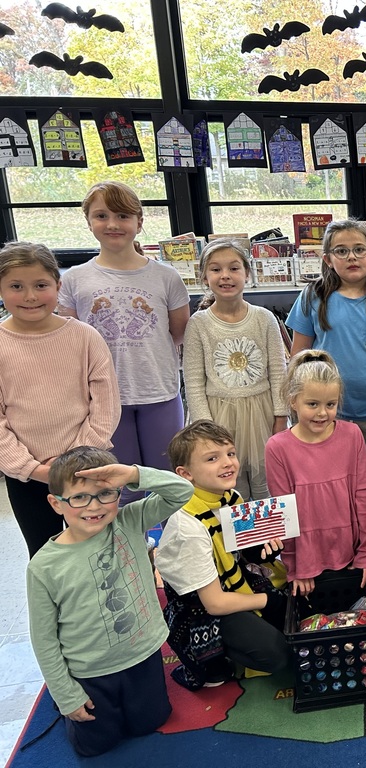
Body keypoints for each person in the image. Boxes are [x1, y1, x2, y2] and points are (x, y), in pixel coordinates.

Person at [27, 447, 194, 757]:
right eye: (79, 498)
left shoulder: (129, 521)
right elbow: (44, 638)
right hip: (91, 671)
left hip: (142, 655)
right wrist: (65, 695)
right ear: (56, 503)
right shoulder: (43, 567)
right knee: (96, 745)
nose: (95, 506)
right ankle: (64, 705)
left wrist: (133, 474)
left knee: (151, 722)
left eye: (105, 493)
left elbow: (183, 491)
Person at [58, 181, 190, 493]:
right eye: (102, 216)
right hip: (103, 400)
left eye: (123, 215)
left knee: (166, 479)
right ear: (88, 222)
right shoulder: (74, 280)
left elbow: (179, 331)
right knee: (116, 485)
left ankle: (170, 542)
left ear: (139, 223)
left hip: (159, 391)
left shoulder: (166, 277)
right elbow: (71, 343)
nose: (113, 224)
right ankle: (129, 543)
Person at [0, 242, 120, 557]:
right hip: (29, 477)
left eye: (40, 285)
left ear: (58, 285)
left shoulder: (85, 337)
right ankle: (56, 609)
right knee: (45, 554)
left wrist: (76, 461)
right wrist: (33, 469)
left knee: (100, 551)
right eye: (16, 286)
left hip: (88, 469)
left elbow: (105, 405)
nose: (30, 296)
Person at [157, 421, 289, 690]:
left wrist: (262, 550)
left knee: (294, 612)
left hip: (232, 582)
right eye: (212, 458)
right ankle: (209, 658)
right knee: (277, 654)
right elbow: (214, 604)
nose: (228, 463)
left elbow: (244, 551)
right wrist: (268, 600)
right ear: (186, 474)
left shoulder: (230, 497)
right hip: (198, 608)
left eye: (230, 453)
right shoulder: (189, 528)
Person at [287, 218, 366, 456]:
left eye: (359, 249)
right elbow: (299, 360)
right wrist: (301, 410)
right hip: (326, 415)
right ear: (327, 259)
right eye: (341, 251)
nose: (351, 257)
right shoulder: (312, 297)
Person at [265, 350, 366, 597]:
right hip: (307, 562)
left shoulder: (352, 435)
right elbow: (283, 512)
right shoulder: (277, 447)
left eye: (331, 405)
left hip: (352, 555)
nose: (322, 413)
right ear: (293, 401)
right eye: (312, 404)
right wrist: (295, 567)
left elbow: (365, 497)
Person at [182, 239, 288, 500]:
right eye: (216, 269)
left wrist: (280, 416)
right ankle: (238, 540)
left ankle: (269, 539)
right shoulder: (198, 324)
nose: (225, 276)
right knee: (229, 483)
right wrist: (206, 428)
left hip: (261, 413)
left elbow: (278, 371)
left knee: (266, 482)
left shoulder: (264, 318)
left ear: (247, 274)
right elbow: (193, 381)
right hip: (219, 417)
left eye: (234, 268)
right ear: (204, 277)